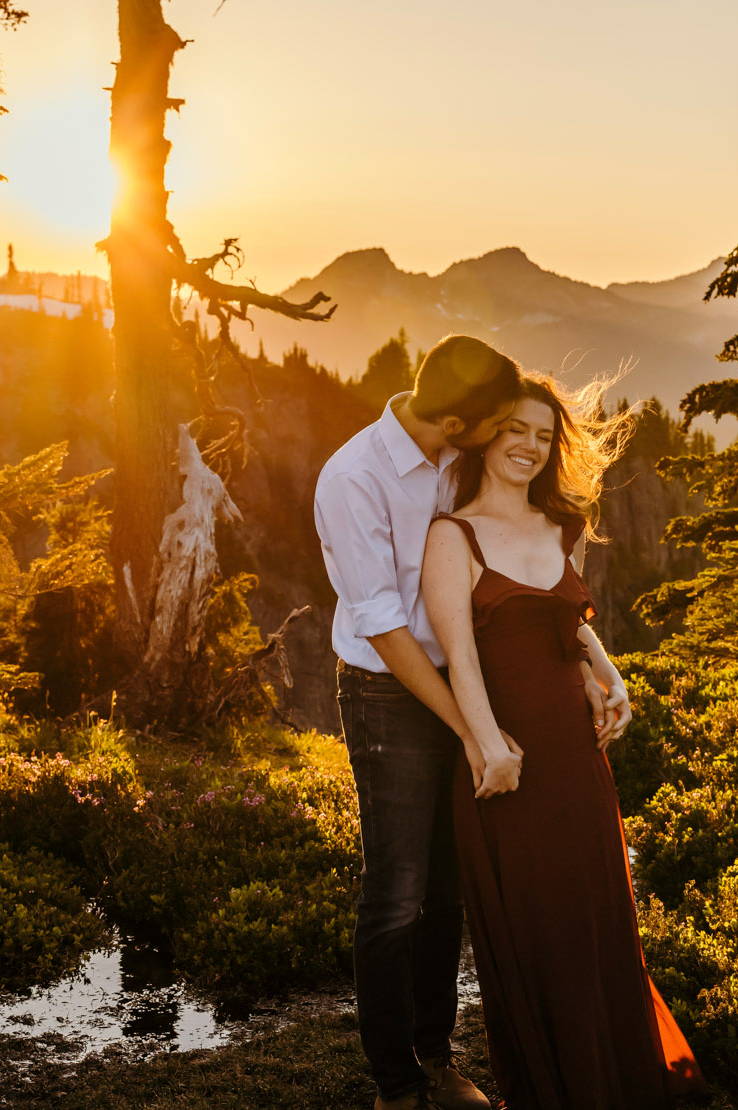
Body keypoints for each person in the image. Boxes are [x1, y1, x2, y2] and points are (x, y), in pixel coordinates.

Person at [422, 372, 709, 1110]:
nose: (528, 446)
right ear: (487, 433)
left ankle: (616, 1081)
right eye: (515, 429)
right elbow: (459, 655)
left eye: (544, 436)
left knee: (597, 920)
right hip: (506, 764)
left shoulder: (564, 528)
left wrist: (609, 673)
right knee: (537, 934)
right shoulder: (451, 535)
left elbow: (568, 623)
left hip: (578, 762)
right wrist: (489, 748)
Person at [315, 334, 520, 1110]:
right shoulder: (355, 476)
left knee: (450, 887)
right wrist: (470, 728)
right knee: (396, 891)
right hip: (386, 693)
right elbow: (385, 627)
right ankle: (396, 1085)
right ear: (462, 422)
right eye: (497, 421)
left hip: (460, 679)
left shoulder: (459, 457)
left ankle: (437, 1057)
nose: (506, 434)